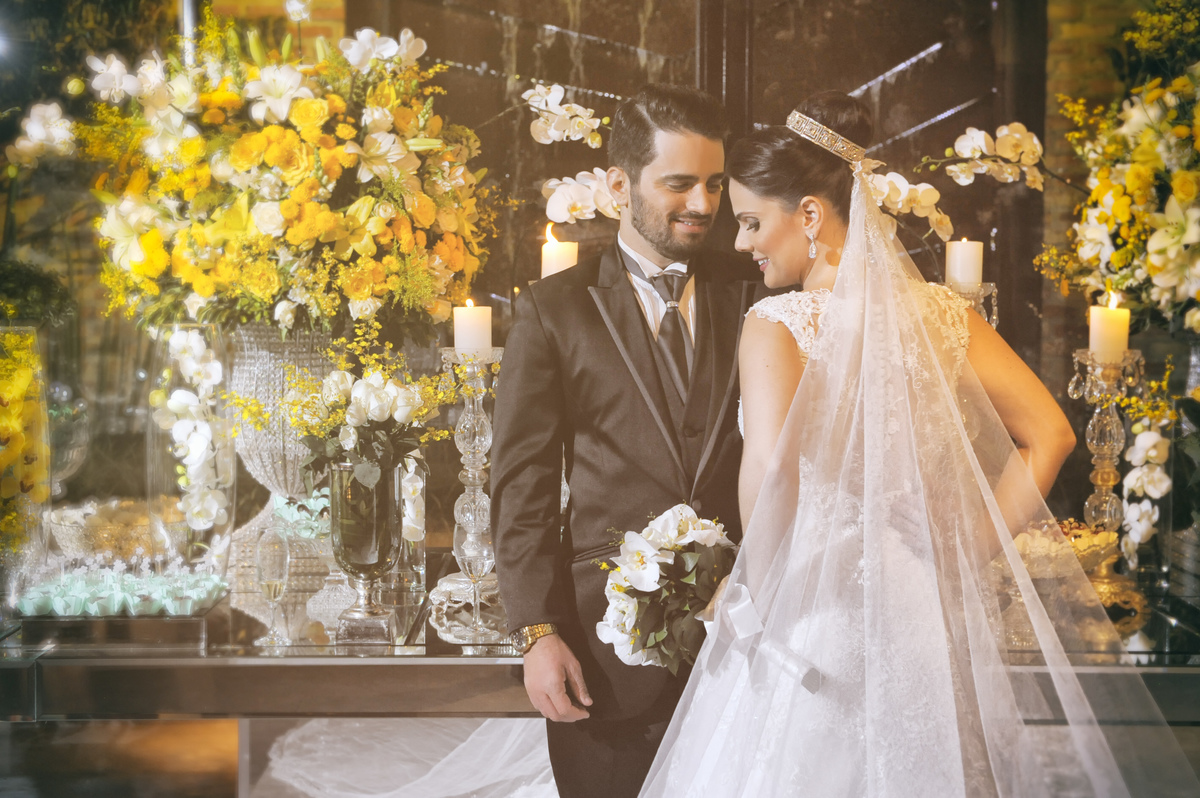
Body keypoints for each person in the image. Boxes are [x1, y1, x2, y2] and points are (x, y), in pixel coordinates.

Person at [639, 92, 1200, 797]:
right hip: (924, 609)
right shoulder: (944, 313)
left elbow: (777, 471)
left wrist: (750, 589)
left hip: (816, 613)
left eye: (752, 222)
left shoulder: (775, 321)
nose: (743, 242)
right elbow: (1053, 435)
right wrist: (970, 539)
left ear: (809, 215)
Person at [491, 83, 759, 798]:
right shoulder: (554, 312)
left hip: (745, 656)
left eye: (713, 184)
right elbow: (522, 486)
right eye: (678, 184)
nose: (702, 205)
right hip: (605, 661)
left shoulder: (756, 294)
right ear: (618, 185)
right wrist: (536, 633)